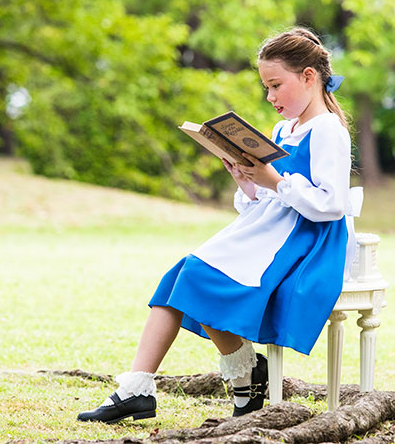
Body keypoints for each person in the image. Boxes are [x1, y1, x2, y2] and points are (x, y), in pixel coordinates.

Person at [77, 27, 359, 423]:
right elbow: (265, 200)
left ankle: (241, 378)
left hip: (305, 242)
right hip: (270, 231)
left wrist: (274, 180)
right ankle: (138, 388)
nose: (270, 97)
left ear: (309, 77)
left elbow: (331, 204)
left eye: (276, 85)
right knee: (180, 277)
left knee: (198, 275)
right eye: (266, 87)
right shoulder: (282, 130)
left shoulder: (329, 129)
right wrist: (246, 180)